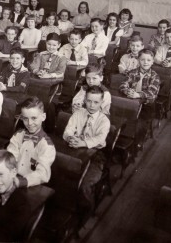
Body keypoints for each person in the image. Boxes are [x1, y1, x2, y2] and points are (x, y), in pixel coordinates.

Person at [63, 86, 110, 225]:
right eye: (89, 101)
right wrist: (70, 138)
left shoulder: (103, 120)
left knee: (84, 185)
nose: (92, 105)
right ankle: (67, 207)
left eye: (96, 102)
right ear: (85, 100)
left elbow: (100, 139)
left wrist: (82, 143)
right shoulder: (78, 114)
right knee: (62, 178)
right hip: (74, 152)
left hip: (95, 157)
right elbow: (68, 130)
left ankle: (87, 210)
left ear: (101, 102)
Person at [7, 97, 55, 188]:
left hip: (32, 185)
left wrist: (21, 182)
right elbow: (10, 157)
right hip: (13, 177)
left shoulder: (47, 145)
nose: (29, 123)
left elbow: (42, 173)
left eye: (34, 118)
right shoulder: (18, 135)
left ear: (43, 117)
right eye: (25, 118)